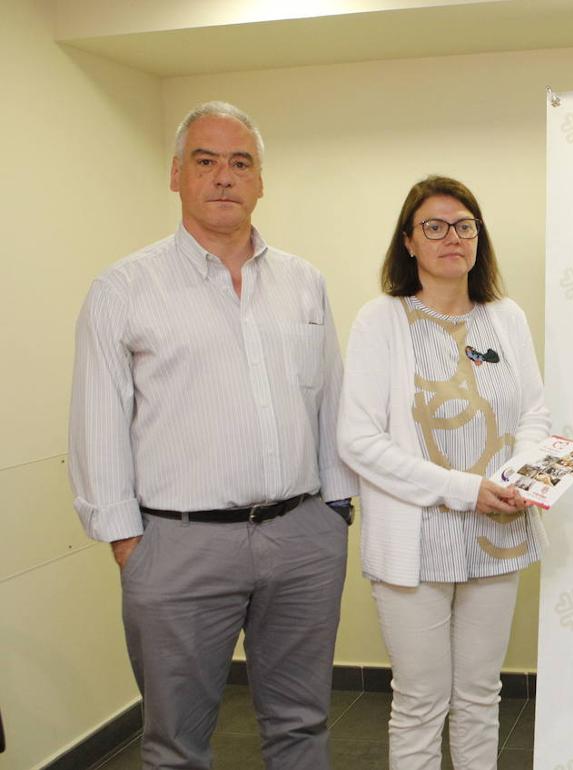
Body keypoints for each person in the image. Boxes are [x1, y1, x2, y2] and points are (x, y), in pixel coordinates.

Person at [68, 101, 357, 769]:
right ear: (177, 175)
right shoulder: (123, 288)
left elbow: (330, 397)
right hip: (178, 546)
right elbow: (97, 422)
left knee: (302, 727)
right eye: (205, 161)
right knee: (176, 744)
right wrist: (128, 544)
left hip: (302, 539)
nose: (224, 176)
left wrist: (335, 510)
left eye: (240, 163)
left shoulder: (303, 283)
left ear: (261, 181)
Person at [337, 175, 549, 769]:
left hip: (497, 534)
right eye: (433, 226)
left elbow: (533, 411)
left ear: (478, 237)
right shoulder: (381, 320)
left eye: (463, 225)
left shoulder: (506, 317)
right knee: (421, 702)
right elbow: (357, 440)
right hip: (418, 541)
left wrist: (524, 474)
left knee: (481, 695)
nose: (451, 237)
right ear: (408, 241)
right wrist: (464, 490)